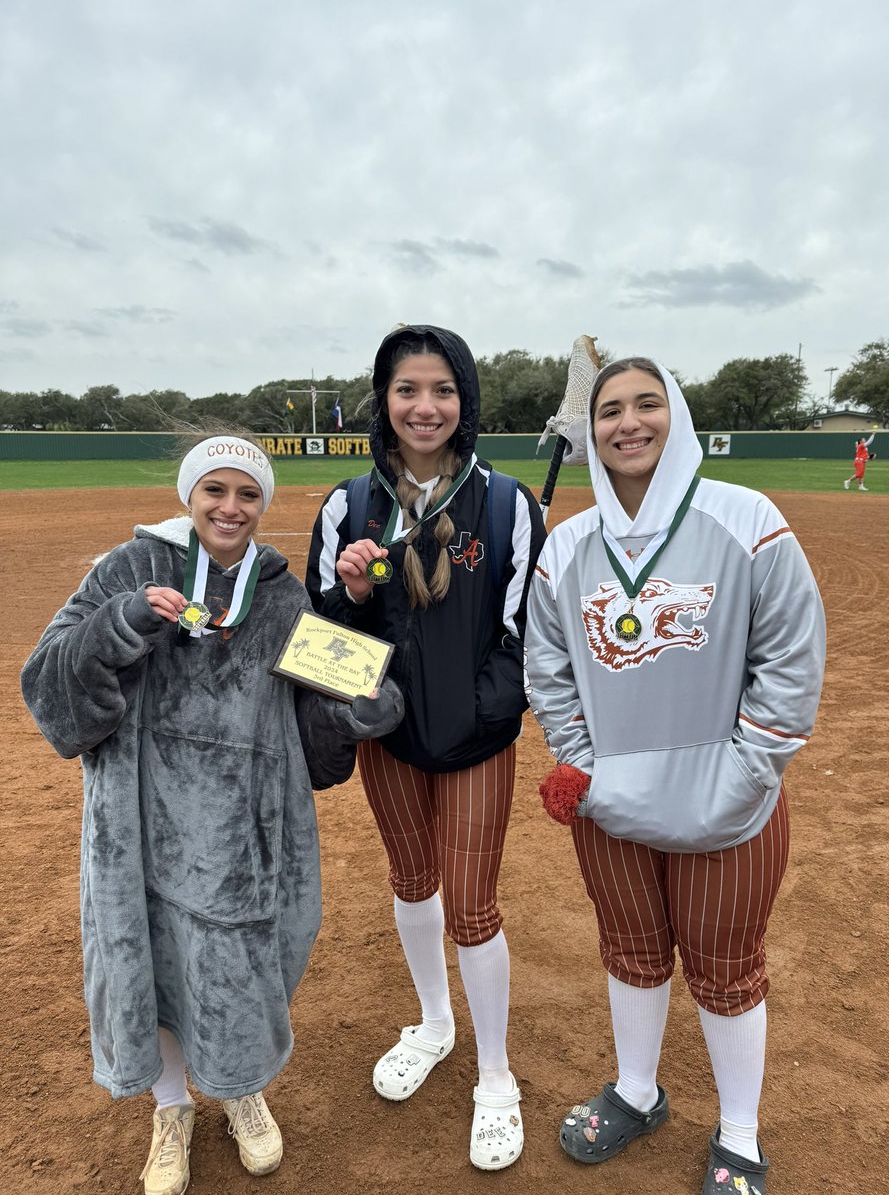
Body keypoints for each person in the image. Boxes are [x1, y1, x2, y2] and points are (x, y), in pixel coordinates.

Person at [21, 433, 403, 1195]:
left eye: (247, 494)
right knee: (153, 963)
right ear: (190, 496)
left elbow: (308, 711)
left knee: (235, 969)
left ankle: (238, 1088)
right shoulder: (128, 568)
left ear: (264, 505)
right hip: (139, 824)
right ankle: (171, 1109)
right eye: (215, 491)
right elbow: (48, 676)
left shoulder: (282, 593)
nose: (231, 507)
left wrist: (357, 710)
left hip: (240, 834)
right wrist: (119, 624)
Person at [525, 359, 825, 1195]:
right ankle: (637, 1091)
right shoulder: (569, 545)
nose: (628, 423)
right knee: (629, 952)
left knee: (727, 970)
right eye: (610, 409)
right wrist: (584, 766)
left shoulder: (746, 519)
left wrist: (748, 772)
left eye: (646, 404)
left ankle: (739, 1133)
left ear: (677, 415)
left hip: (728, 802)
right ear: (591, 429)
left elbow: (790, 660)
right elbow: (547, 668)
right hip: (612, 803)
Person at [306, 324, 546, 1170]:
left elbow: (531, 638)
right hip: (391, 742)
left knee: (474, 907)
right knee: (412, 884)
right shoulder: (346, 504)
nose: (425, 406)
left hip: (477, 742)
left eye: (442, 389)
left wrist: (484, 712)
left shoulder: (511, 503)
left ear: (465, 401)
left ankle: (495, 1075)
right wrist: (355, 593)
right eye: (407, 389)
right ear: (385, 401)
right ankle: (437, 1024)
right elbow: (321, 642)